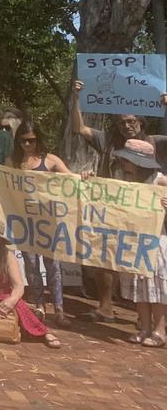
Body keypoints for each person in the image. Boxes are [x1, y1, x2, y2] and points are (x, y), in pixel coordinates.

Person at [70, 79, 166, 321]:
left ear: (141, 122)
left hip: (144, 212)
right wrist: (76, 98)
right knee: (107, 256)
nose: (127, 126)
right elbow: (79, 128)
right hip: (112, 208)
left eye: (132, 121)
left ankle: (149, 319)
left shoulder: (154, 142)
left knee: (147, 262)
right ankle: (106, 306)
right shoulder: (107, 140)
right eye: (122, 122)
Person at [8, 121, 75, 326]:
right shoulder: (12, 161)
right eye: (23, 141)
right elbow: (5, 183)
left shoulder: (51, 160)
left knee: (52, 265)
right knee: (31, 265)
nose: (27, 144)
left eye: (31, 140)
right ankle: (39, 305)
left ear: (38, 139)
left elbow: (71, 180)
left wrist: (85, 177)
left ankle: (59, 309)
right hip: (25, 220)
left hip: (48, 222)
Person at [0, 217, 61, 348]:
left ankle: (43, 332)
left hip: (4, 297)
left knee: (20, 307)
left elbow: (18, 286)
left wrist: (11, 301)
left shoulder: (8, 256)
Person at [114, 139, 167, 347]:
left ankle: (160, 330)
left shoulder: (159, 181)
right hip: (133, 239)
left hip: (156, 239)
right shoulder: (124, 180)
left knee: (156, 286)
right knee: (139, 286)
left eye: (127, 160)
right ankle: (145, 327)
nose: (124, 164)